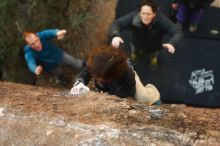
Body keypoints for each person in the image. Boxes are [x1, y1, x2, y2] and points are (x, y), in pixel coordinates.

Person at [69, 45, 161, 105]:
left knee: (143, 97)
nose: (97, 79)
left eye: (100, 78)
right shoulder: (96, 62)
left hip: (125, 82)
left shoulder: (127, 73)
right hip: (110, 80)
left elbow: (128, 92)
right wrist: (80, 81)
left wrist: (107, 96)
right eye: (96, 76)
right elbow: (87, 70)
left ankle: (153, 93)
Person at [109, 0, 183, 71]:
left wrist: (173, 43)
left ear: (154, 14)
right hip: (136, 43)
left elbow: (178, 32)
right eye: (143, 13)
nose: (145, 17)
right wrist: (115, 35)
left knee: (153, 56)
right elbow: (116, 24)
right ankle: (134, 57)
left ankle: (153, 61)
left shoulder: (161, 20)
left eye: (148, 14)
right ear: (140, 12)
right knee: (134, 52)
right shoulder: (134, 17)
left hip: (154, 46)